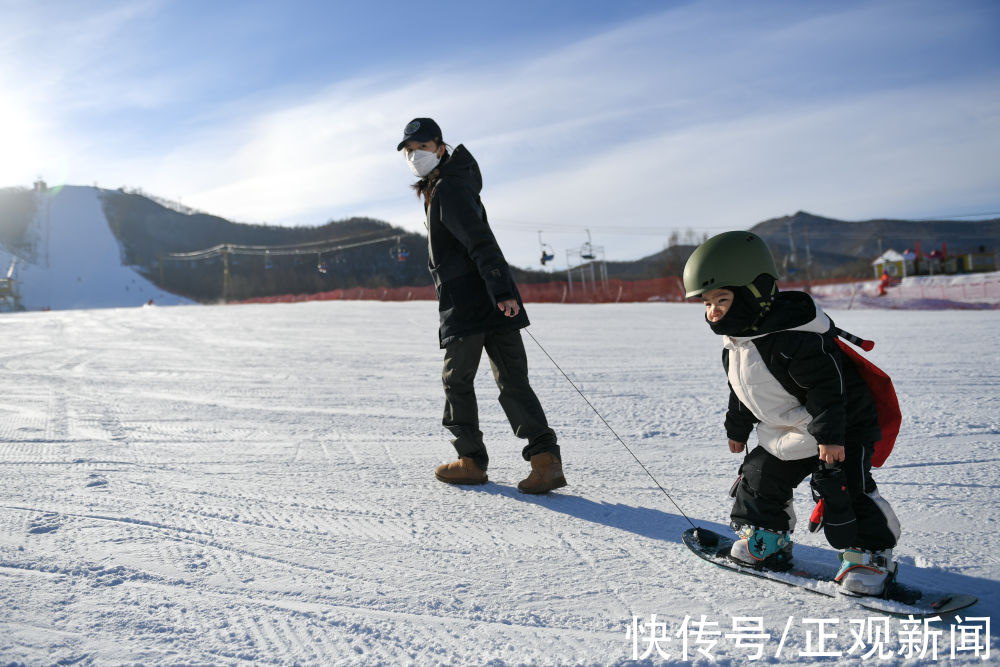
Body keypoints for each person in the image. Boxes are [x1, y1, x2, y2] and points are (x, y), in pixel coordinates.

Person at [682, 231, 901, 596]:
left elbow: (829, 392)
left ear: (756, 292)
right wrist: (737, 427)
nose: (713, 311)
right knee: (759, 475)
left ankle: (870, 558)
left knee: (844, 488)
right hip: (787, 426)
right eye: (706, 303)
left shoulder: (795, 340)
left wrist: (831, 438)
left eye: (721, 299)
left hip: (842, 426)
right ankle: (769, 540)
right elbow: (742, 391)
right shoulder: (737, 344)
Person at [396, 117, 566, 494]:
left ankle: (470, 460)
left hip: (470, 303)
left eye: (421, 148)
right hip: (490, 298)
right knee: (512, 380)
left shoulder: (448, 189)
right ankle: (545, 461)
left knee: (457, 381)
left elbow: (480, 242)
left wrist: (502, 290)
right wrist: (502, 292)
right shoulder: (454, 184)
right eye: (409, 151)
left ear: (440, 147)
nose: (414, 156)